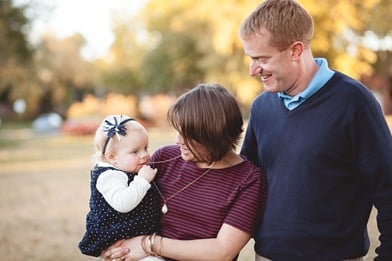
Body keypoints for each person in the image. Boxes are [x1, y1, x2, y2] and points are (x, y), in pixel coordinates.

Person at [238, 0, 392, 260]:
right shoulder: (262, 107)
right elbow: (245, 183)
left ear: (296, 50)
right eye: (251, 59)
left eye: (262, 59)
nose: (253, 70)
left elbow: (388, 188)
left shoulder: (354, 102)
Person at [101, 83, 267, 261]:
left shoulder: (248, 180)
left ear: (211, 135)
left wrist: (149, 244)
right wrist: (112, 246)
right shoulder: (165, 158)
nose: (177, 140)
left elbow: (222, 251)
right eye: (177, 131)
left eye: (186, 134)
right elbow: (119, 203)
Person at [78, 115, 163, 260]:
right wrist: (142, 181)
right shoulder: (109, 176)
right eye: (135, 151)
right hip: (119, 241)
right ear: (112, 158)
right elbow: (123, 203)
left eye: (146, 148)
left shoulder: (127, 169)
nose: (145, 155)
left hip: (135, 237)